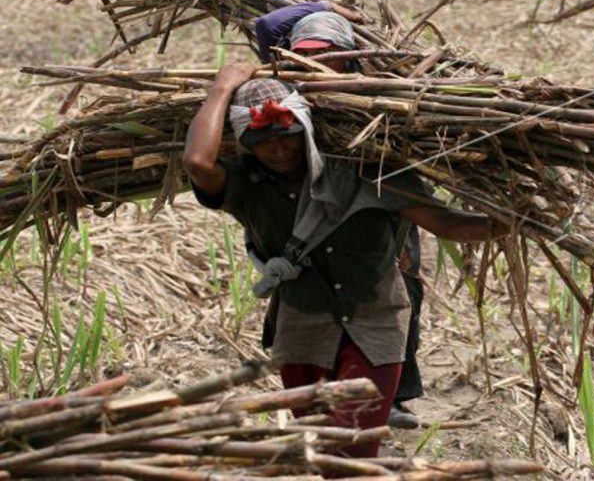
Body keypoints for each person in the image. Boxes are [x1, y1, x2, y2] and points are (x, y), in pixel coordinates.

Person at [182, 64, 506, 458]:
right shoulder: (244, 188)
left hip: (375, 325)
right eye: (263, 142)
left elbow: (445, 222)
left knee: (353, 446)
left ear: (306, 127)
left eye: (288, 137)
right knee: (323, 452)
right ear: (246, 145)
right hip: (302, 333)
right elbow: (198, 163)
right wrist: (222, 87)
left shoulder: (367, 173)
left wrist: (512, 222)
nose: (278, 150)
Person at [255, 3, 426, 429]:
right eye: (305, 53)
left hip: (378, 202)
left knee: (402, 286)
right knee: (310, 285)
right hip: (312, 204)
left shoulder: (373, 92)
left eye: (325, 53)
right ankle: (322, 384)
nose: (313, 62)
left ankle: (396, 395)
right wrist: (325, 8)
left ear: (348, 54)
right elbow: (267, 24)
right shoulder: (284, 93)